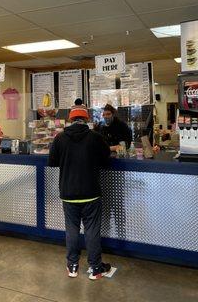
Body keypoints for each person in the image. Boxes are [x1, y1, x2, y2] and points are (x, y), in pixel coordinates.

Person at [48, 98, 112, 280]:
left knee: (72, 229)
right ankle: (95, 268)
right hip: (91, 192)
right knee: (92, 230)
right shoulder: (96, 137)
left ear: (70, 119)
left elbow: (52, 162)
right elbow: (106, 161)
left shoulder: (60, 138)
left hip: (68, 193)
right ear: (86, 118)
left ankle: (73, 266)